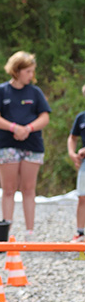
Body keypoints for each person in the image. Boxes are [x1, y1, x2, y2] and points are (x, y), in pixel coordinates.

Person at [0, 51, 50, 237]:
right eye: (28, 71)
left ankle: (30, 232)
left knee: (29, 188)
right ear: (17, 71)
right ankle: (6, 230)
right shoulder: (1, 91)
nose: (31, 75)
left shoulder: (35, 92)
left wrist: (28, 128)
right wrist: (14, 128)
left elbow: (44, 116)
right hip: (6, 144)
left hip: (32, 144)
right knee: (9, 189)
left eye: (32, 71)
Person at [66, 84, 85, 241]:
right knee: (82, 196)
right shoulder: (81, 118)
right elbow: (72, 137)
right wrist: (72, 153)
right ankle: (80, 232)